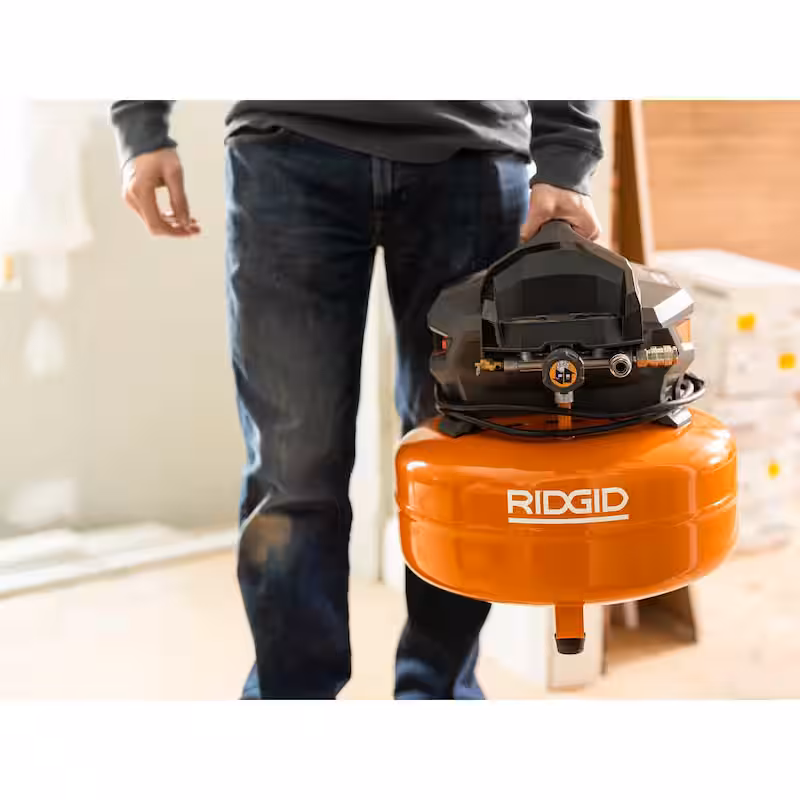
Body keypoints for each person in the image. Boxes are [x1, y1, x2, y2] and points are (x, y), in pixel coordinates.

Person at [110, 100, 604, 699]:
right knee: (292, 473)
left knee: (461, 469)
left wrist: (565, 152)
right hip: (286, 144)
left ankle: (440, 695)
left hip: (472, 152)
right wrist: (141, 123)